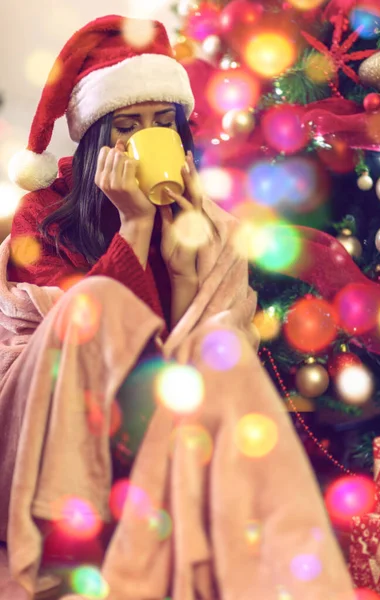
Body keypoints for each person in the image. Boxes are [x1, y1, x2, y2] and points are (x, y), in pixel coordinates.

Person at [0, 14, 355, 600]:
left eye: (162, 124)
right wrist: (133, 227)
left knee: (224, 362)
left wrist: (184, 259)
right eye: (127, 126)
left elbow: (186, 354)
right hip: (64, 409)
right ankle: (73, 538)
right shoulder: (44, 213)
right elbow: (94, 340)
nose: (146, 139)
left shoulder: (203, 219)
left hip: (158, 410)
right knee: (94, 300)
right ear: (95, 141)